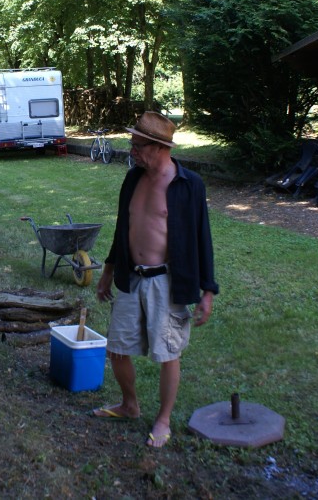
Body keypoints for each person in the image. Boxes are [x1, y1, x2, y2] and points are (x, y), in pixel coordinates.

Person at [93, 111, 218, 449]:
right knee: (117, 349)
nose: (132, 151)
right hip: (130, 278)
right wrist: (107, 272)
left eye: (138, 145)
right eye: (132, 144)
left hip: (167, 282)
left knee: (167, 354)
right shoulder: (133, 179)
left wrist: (208, 290)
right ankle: (130, 404)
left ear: (160, 147)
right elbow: (123, 228)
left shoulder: (188, 185)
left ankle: (163, 419)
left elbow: (201, 237)